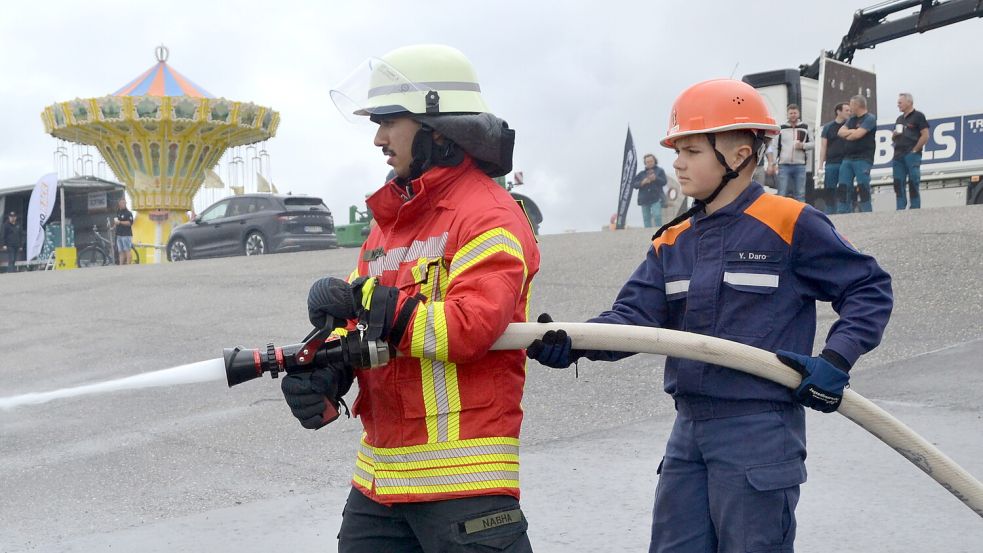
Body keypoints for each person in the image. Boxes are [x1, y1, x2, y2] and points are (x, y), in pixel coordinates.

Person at [525, 79, 893, 553]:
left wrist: (836, 360)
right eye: (677, 150)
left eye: (692, 150)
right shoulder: (672, 241)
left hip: (759, 431)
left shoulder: (790, 223)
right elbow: (632, 319)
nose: (677, 162)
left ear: (739, 154)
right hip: (689, 433)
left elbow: (869, 288)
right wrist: (572, 341)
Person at [281, 44, 539, 552]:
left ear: (437, 127)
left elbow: (470, 327)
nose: (378, 138)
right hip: (382, 482)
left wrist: (365, 302)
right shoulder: (392, 220)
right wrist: (330, 369)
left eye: (389, 122)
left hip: (464, 485)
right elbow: (370, 328)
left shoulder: (488, 214)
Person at [837, 95, 878, 213]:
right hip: (847, 158)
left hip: (863, 159)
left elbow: (857, 135)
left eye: (851, 105)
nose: (850, 108)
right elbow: (840, 132)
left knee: (863, 186)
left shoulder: (869, 118)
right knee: (844, 186)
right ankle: (843, 213)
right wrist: (852, 131)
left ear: (857, 105)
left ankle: (867, 212)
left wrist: (850, 135)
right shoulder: (851, 120)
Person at [892, 93, 930, 210]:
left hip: (911, 154)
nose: (898, 105)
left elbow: (925, 135)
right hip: (898, 155)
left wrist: (915, 150)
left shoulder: (918, 116)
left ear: (909, 102)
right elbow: (894, 138)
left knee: (913, 182)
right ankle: (900, 209)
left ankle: (915, 209)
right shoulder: (899, 119)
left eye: (900, 102)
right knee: (898, 183)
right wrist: (894, 135)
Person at [771, 104, 813, 202]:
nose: (793, 115)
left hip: (800, 164)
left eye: (795, 113)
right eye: (791, 113)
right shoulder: (781, 128)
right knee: (782, 192)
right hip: (784, 164)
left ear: (798, 114)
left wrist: (803, 146)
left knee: (800, 193)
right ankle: (781, 214)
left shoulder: (805, 127)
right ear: (787, 114)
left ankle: (801, 214)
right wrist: (773, 162)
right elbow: (775, 146)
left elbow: (812, 143)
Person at [818, 102, 851, 214]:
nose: (849, 112)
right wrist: (820, 166)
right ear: (838, 111)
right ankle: (830, 212)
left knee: (844, 187)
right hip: (831, 163)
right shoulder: (828, 127)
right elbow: (823, 147)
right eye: (847, 110)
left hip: (846, 162)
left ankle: (844, 211)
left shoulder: (849, 125)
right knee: (830, 189)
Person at [633, 153, 668, 228]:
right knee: (646, 218)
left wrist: (656, 178)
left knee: (657, 215)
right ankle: (647, 235)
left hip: (656, 197)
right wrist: (642, 182)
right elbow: (634, 184)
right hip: (644, 199)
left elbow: (664, 182)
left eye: (651, 161)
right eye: (647, 162)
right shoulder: (641, 174)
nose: (649, 163)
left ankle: (659, 233)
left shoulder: (660, 171)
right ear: (645, 163)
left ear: (654, 161)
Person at [114, 198, 134, 265]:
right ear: (119, 204)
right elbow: (117, 222)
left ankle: (128, 265)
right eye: (122, 203)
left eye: (124, 203)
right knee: (121, 251)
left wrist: (120, 222)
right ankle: (121, 265)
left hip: (126, 235)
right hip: (119, 234)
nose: (123, 204)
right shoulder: (118, 212)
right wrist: (113, 226)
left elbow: (129, 223)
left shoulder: (128, 213)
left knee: (127, 250)